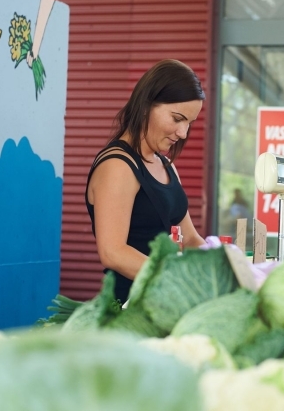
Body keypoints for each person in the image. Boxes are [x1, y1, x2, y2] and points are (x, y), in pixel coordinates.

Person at [85, 59, 206, 303]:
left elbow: (190, 238)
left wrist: (223, 267)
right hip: (129, 309)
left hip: (165, 302)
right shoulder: (118, 166)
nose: (183, 133)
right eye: (177, 118)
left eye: (189, 123)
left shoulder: (165, 165)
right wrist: (177, 280)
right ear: (145, 105)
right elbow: (113, 252)